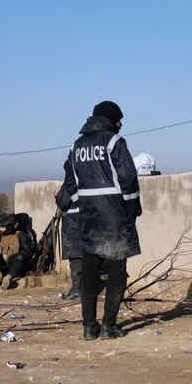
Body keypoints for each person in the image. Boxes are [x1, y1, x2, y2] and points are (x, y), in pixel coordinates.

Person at [58, 101, 142, 341]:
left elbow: (70, 182)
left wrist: (83, 202)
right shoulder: (115, 142)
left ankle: (88, 327)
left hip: (88, 220)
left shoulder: (76, 146)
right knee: (117, 274)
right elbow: (128, 179)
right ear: (109, 120)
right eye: (118, 119)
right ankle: (108, 326)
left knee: (90, 275)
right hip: (114, 218)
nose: (121, 124)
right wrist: (132, 209)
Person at [55, 159, 83, 301]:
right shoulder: (93, 180)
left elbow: (63, 201)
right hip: (90, 224)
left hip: (74, 225)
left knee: (76, 258)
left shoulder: (71, 183)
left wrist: (58, 196)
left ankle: (77, 290)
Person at [0, 214, 34, 289]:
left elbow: (28, 253)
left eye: (2, 227)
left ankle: (8, 277)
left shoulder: (21, 235)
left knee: (19, 257)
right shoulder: (0, 236)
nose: (0, 229)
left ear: (9, 227)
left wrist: (19, 256)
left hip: (14, 262)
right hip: (3, 263)